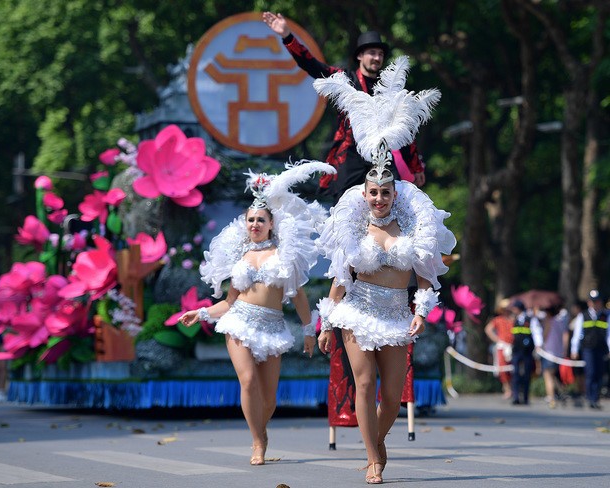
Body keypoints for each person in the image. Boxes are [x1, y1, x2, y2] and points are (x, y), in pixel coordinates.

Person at [314, 59, 454, 484]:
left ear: (395, 192)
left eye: (385, 192)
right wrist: (324, 323)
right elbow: (341, 277)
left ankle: (377, 438)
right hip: (357, 310)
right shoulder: (353, 223)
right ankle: (375, 458)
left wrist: (420, 311)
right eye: (373, 192)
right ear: (366, 192)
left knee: (392, 395)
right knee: (364, 381)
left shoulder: (413, 223)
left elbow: (427, 274)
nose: (378, 199)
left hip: (396, 312)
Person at [179, 161, 334, 466]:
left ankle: (262, 430)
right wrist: (202, 312)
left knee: (269, 398)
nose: (255, 224)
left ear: (271, 223)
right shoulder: (241, 255)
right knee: (247, 381)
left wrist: (308, 331)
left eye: (260, 219)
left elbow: (298, 296)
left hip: (273, 327)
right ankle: (257, 441)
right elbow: (229, 301)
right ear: (245, 223)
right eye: (250, 220)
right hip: (239, 322)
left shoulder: (285, 254)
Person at [262, 12, 427, 201]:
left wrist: (415, 166)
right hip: (350, 158)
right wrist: (287, 37)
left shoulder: (390, 89)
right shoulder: (345, 79)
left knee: (394, 203)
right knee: (346, 209)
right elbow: (312, 65)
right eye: (372, 53)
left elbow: (403, 131)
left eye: (380, 54)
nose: (377, 58)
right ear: (360, 56)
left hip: (381, 158)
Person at [570, 289, 610, 409]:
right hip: (588, 348)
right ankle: (591, 398)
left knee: (599, 373)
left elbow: (609, 334)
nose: (594, 304)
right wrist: (574, 350)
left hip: (601, 348)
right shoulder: (583, 315)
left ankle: (596, 398)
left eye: (596, 301)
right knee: (591, 372)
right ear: (589, 303)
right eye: (592, 301)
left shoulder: (606, 315)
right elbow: (577, 334)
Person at [509, 300, 543, 406]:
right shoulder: (515, 320)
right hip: (516, 350)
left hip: (527, 351)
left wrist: (538, 345)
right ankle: (516, 396)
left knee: (527, 374)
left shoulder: (530, 319)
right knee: (515, 373)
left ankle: (525, 397)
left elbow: (536, 332)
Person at [536, 305, 570, 408]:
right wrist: (564, 350)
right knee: (556, 375)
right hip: (559, 353)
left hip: (548, 353)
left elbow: (544, 337)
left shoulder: (548, 322)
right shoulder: (561, 322)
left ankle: (551, 398)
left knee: (548, 376)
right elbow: (565, 335)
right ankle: (561, 392)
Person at [484, 298, 515, 399]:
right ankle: (507, 389)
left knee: (512, 369)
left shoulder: (513, 319)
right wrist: (497, 339)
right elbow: (488, 329)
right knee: (503, 369)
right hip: (502, 346)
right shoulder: (498, 320)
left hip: (512, 346)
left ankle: (512, 388)